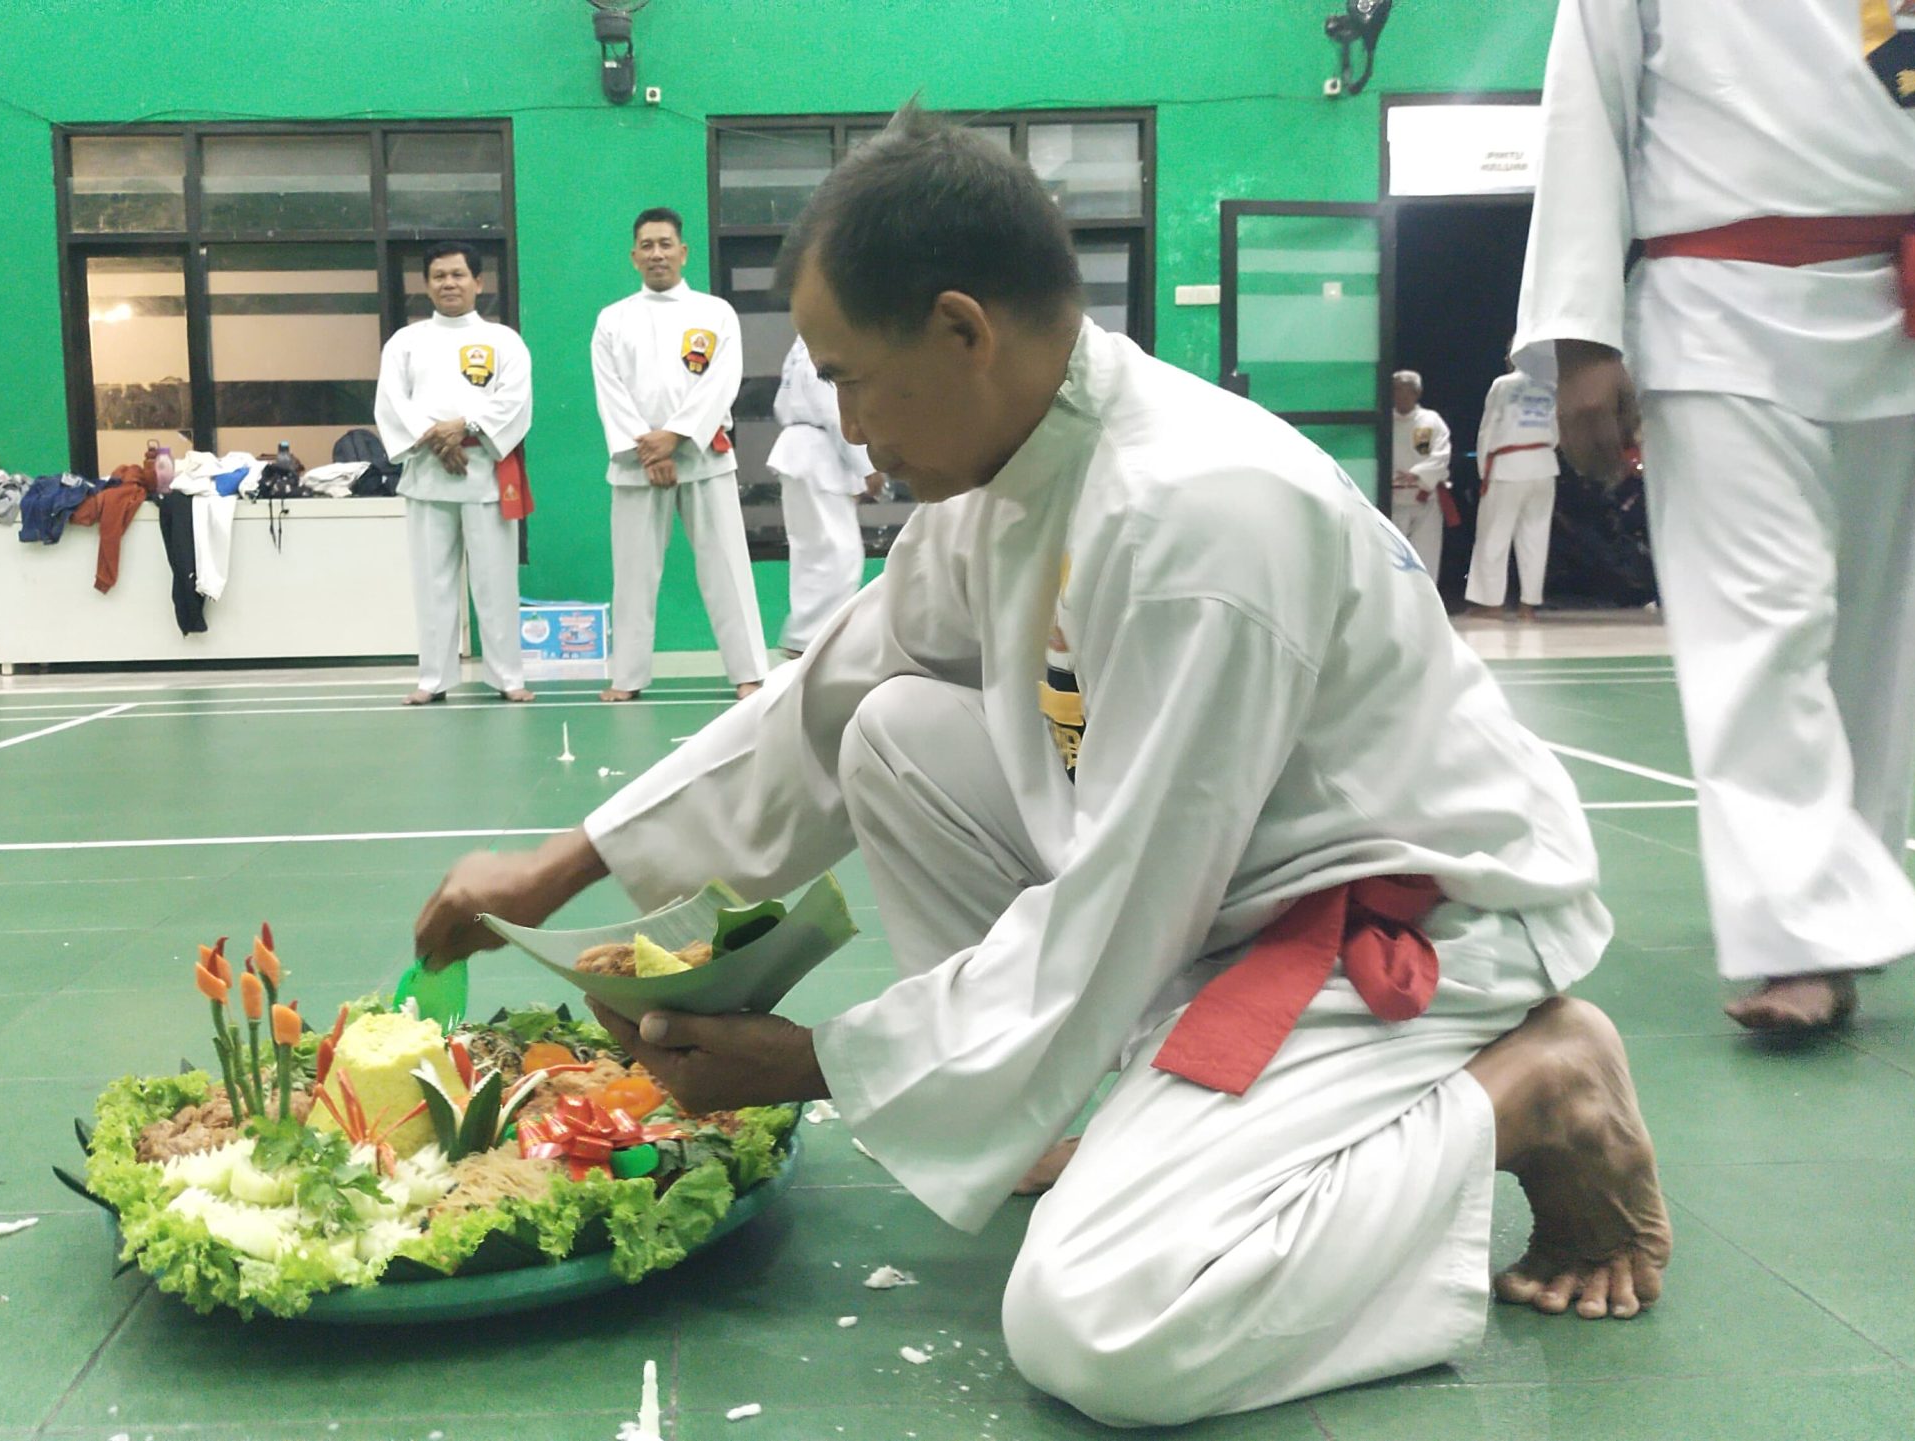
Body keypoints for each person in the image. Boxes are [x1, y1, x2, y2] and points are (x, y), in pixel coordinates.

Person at [416, 107, 1669, 1428]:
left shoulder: (1198, 518)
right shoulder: (1018, 471)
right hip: (1214, 895)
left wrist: (808, 1061)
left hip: (1400, 924)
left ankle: (1530, 1092)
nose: (841, 426)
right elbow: (823, 698)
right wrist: (557, 871)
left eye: (849, 376)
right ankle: (1050, 1115)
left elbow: (1125, 907)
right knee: (891, 728)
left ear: (964, 331)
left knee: (1098, 1322)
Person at [1516, 0, 1915, 1031]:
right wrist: (1579, 332)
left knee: (1868, 635)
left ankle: (1841, 897)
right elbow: (1584, 104)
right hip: (1712, 303)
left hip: (1908, 304)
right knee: (1759, 626)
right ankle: (1806, 935)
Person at [591, 206, 767, 703]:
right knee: (633, 573)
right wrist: (648, 448)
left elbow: (721, 382)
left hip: (703, 456)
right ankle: (627, 676)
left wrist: (677, 436)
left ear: (683, 251)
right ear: (633, 256)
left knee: (726, 566)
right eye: (647, 245)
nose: (657, 254)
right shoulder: (613, 320)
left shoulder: (715, 313)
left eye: (665, 243)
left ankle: (749, 671)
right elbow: (611, 392)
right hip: (636, 462)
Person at [375, 243, 536, 705]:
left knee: (495, 581)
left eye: (459, 275)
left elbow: (514, 401)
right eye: (440, 276)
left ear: (478, 283)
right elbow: (391, 403)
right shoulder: (406, 342)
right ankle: (433, 678)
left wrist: (463, 427)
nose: (449, 283)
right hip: (429, 472)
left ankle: (507, 675)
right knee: (432, 581)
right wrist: (435, 437)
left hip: (484, 471)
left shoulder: (504, 341)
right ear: (426, 285)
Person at [769, 335, 879, 656]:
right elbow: (833, 412)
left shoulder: (801, 345)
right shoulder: (822, 345)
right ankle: (815, 639)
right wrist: (866, 467)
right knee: (839, 553)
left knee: (813, 552)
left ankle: (806, 636)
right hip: (818, 451)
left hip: (801, 451)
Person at [1464, 367, 1562, 620]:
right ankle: (1528, 606)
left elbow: (1488, 428)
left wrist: (1484, 470)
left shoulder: (1503, 384)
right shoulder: (1551, 384)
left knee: (1494, 536)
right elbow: (1556, 428)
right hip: (1543, 464)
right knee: (1536, 538)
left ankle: (1492, 603)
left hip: (1508, 465)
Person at [1389, 370, 1453, 575]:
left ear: (1417, 394)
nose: (1402, 395)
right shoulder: (1384, 422)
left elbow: (1442, 454)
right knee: (1392, 556)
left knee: (1426, 555)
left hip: (1425, 496)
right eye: (1397, 390)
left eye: (1408, 391)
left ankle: (1426, 601)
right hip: (1393, 498)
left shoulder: (1431, 420)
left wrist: (1418, 473)